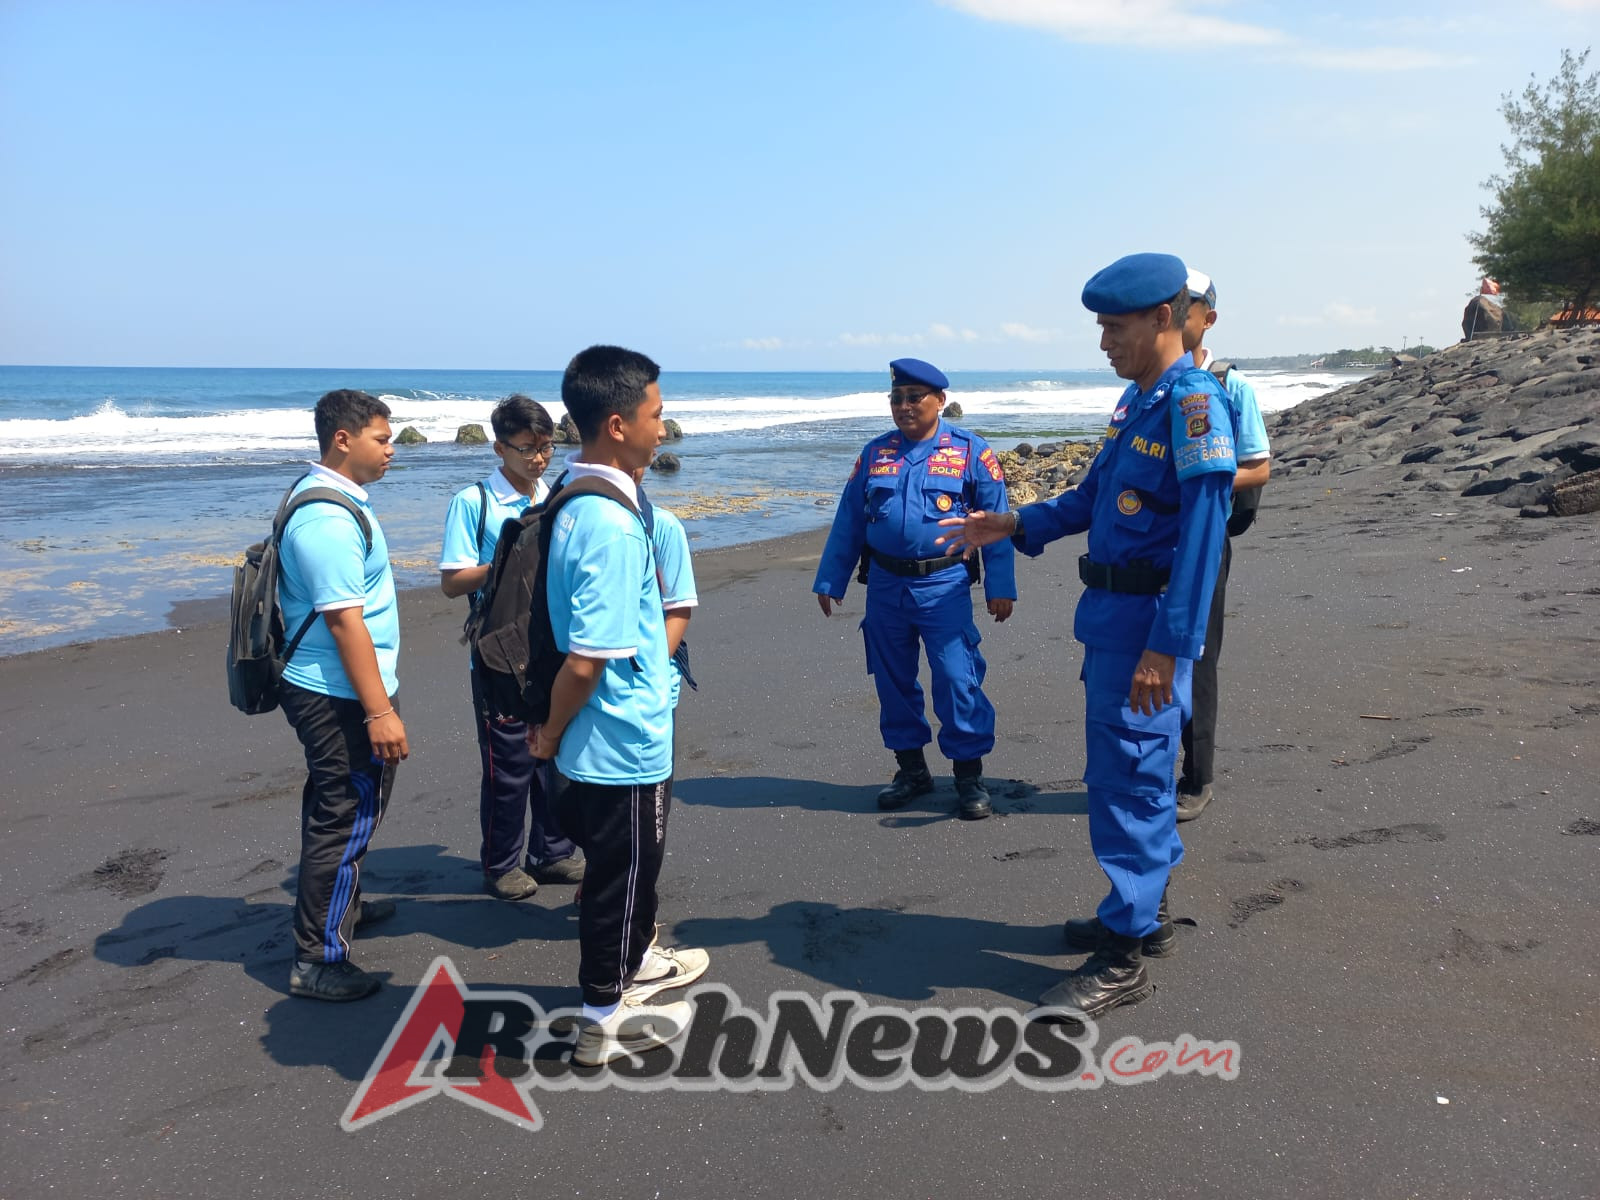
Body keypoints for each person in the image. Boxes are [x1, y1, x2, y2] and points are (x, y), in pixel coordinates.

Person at [938, 254, 1236, 1016]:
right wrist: (1012, 522)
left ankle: (1124, 957)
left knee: (1131, 778)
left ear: (1162, 319)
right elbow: (1096, 497)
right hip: (1112, 620)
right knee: (1124, 772)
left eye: (1115, 325)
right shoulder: (1141, 403)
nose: (1103, 340)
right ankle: (1143, 914)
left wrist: (1169, 647)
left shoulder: (1194, 405)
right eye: (1101, 326)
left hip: (1148, 626)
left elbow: (1204, 537)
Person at [531, 346, 708, 1066]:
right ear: (616, 423)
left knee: (621, 870)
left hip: (597, 735)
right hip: (617, 739)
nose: (662, 429)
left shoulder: (571, 497)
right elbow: (585, 658)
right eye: (655, 416)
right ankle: (604, 1012)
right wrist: (548, 734)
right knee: (624, 875)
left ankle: (626, 975)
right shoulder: (608, 522)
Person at [813, 358, 1016, 821]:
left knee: (956, 678)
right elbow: (850, 522)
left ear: (940, 401)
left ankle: (968, 776)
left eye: (914, 398)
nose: (903, 407)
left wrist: (1000, 587)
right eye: (896, 398)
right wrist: (830, 579)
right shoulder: (874, 454)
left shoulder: (971, 452)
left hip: (944, 586)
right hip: (885, 586)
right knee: (892, 680)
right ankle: (912, 771)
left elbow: (994, 526)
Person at [277, 389, 408, 1002]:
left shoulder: (338, 501)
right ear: (342, 439)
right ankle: (318, 958)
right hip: (336, 696)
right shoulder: (326, 517)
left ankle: (341, 904)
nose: (391, 449)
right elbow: (343, 621)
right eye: (382, 439)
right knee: (347, 810)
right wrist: (378, 710)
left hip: (341, 688)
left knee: (344, 805)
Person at [439, 394, 582, 899]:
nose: (538, 458)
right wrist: (503, 558)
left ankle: (552, 852)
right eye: (526, 448)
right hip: (499, 649)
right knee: (507, 762)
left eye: (545, 447)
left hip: (552, 643)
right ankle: (501, 863)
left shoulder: (554, 496)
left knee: (553, 749)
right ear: (499, 447)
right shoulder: (473, 502)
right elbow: (453, 582)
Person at [1175, 270, 1272, 821]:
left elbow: (1258, 469)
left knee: (1199, 656)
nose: (1171, 318)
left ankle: (1198, 776)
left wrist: (1200, 477)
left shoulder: (1231, 386)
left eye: (1184, 309)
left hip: (1206, 539)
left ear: (1206, 318)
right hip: (1151, 544)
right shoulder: (1147, 384)